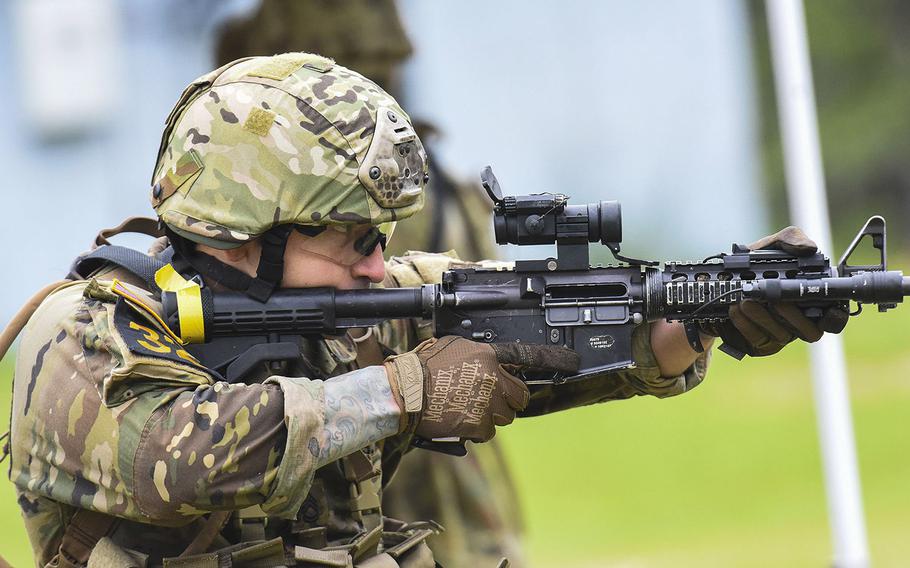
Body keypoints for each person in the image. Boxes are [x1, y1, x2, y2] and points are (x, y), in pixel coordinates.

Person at [5, 53, 839, 567]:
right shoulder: (79, 335)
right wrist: (401, 392)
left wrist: (698, 314)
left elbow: (546, 330)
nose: (378, 263)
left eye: (383, 236)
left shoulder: (361, 302)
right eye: (352, 238)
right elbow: (176, 460)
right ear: (242, 234)